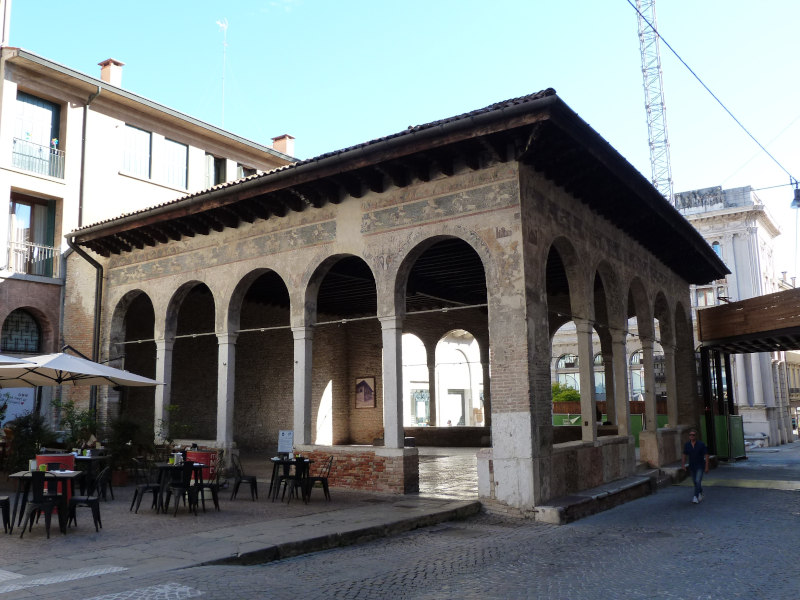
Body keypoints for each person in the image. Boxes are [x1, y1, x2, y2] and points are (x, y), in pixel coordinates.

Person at [682, 428, 709, 504]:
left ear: (696, 436)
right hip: (692, 466)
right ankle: (700, 492)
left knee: (697, 481)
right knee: (695, 482)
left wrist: (707, 466)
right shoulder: (687, 445)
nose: (691, 436)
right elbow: (684, 454)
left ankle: (695, 497)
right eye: (690, 435)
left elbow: (706, 455)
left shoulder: (701, 444)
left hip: (700, 465)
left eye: (693, 435)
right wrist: (683, 464)